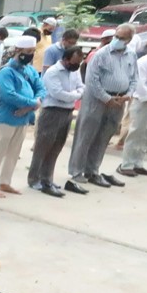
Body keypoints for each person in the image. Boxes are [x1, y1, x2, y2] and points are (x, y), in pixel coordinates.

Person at [68, 23, 138, 188]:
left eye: (122, 38)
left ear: (129, 40)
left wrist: (128, 95)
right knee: (86, 135)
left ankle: (93, 170)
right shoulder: (101, 54)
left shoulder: (131, 55)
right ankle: (77, 171)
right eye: (116, 36)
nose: (117, 40)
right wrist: (106, 98)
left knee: (104, 136)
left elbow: (134, 78)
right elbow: (92, 80)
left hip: (119, 101)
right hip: (97, 100)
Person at [0, 35, 46, 198]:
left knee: (13, 152)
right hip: (7, 116)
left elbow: (41, 88)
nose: (31, 54)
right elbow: (8, 95)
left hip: (24, 117)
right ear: (18, 51)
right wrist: (32, 103)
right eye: (28, 51)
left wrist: (33, 104)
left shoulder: (30, 70)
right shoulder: (7, 72)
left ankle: (5, 182)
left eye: (33, 51)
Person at [27, 47, 85, 196]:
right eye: (74, 62)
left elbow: (81, 88)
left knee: (56, 147)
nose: (76, 66)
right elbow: (58, 94)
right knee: (43, 147)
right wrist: (76, 95)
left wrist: (74, 94)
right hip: (52, 111)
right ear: (66, 59)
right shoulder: (53, 72)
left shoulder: (75, 71)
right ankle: (34, 179)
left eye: (78, 62)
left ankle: (47, 179)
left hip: (67, 112)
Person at [119, 50, 147, 178]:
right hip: (142, 101)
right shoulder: (143, 62)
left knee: (145, 135)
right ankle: (126, 165)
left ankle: (138, 163)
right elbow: (140, 84)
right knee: (136, 132)